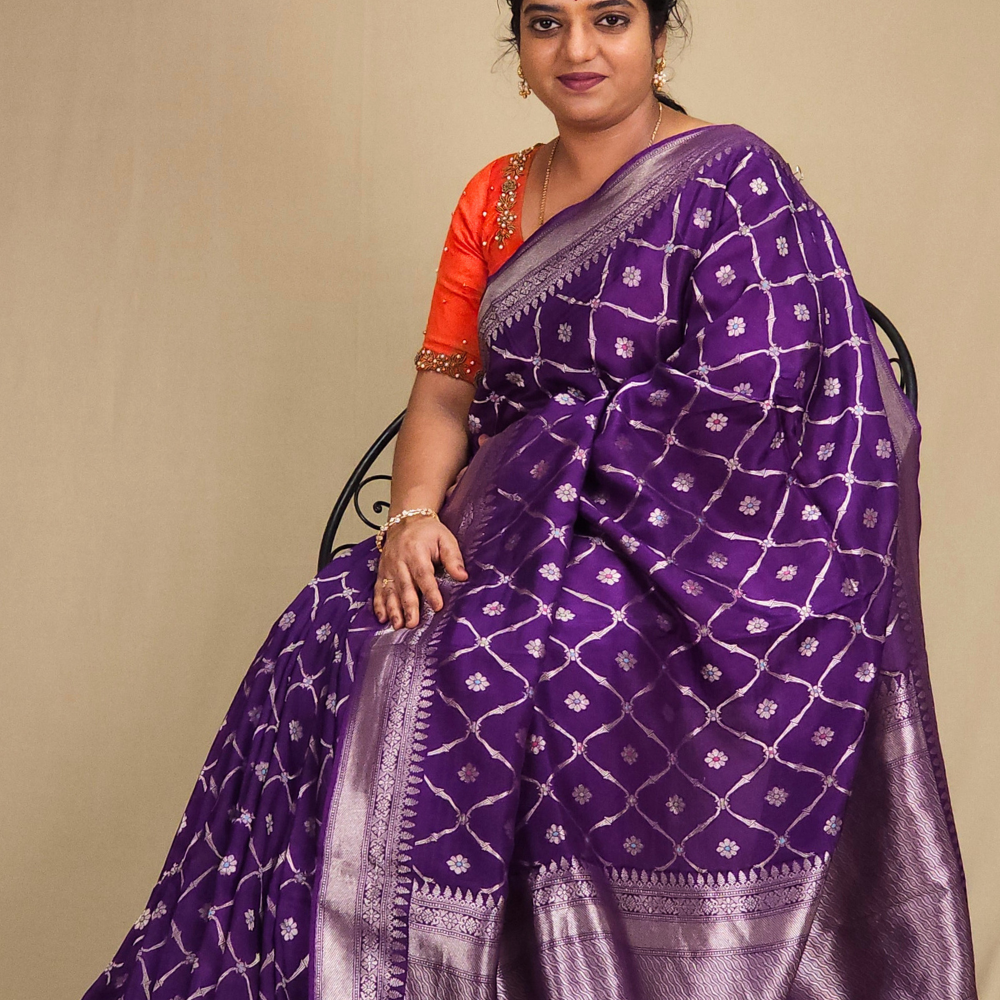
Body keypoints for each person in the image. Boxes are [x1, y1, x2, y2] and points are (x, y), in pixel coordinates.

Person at [83, 1, 979, 998]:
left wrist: (559, 455)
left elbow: (755, 396)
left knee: (532, 651)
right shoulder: (494, 197)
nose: (578, 49)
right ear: (518, 48)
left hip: (706, 546)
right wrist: (412, 517)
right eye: (547, 23)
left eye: (610, 19)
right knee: (324, 623)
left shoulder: (735, 181)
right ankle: (337, 961)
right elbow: (445, 388)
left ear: (658, 39)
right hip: (510, 525)